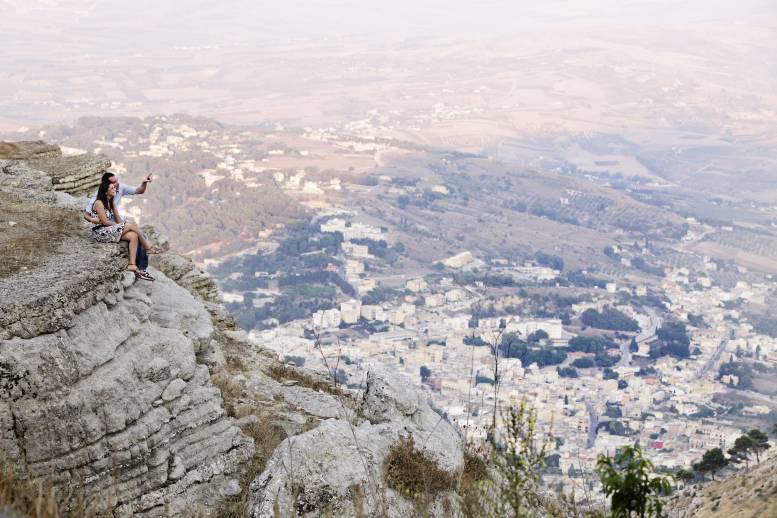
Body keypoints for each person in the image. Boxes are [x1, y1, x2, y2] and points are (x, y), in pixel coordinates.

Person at [85, 171, 155, 277]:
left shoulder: (111, 201)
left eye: (115, 184)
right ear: (105, 190)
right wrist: (92, 219)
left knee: (133, 235)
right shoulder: (98, 202)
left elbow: (118, 220)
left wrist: (123, 225)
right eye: (112, 186)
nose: (115, 187)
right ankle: (147, 246)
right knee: (131, 225)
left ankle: (132, 265)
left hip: (110, 228)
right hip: (101, 232)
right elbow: (103, 222)